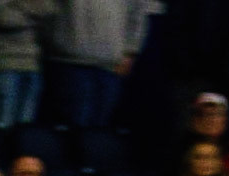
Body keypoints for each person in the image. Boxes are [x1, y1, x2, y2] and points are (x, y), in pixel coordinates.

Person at [44, 0, 151, 128]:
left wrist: (130, 51)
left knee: (98, 132)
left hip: (110, 64)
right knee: (74, 128)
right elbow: (46, 9)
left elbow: (137, 13)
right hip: (70, 60)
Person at [0, 0, 56, 130]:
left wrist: (18, 5)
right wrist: (33, 11)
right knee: (2, 130)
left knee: (25, 134)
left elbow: (49, 9)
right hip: (2, 62)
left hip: (33, 64)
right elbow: (2, 17)